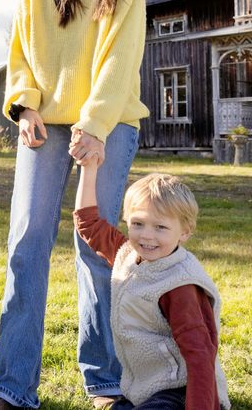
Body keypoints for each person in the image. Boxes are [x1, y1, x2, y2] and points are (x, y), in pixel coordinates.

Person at [0, 0, 150, 410]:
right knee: (27, 242)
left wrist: (95, 126)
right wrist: (25, 104)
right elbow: (21, 48)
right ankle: (11, 389)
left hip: (109, 120)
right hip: (46, 121)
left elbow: (122, 56)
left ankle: (104, 383)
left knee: (94, 244)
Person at [73, 167, 231, 410]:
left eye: (160, 227)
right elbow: (87, 223)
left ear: (185, 232)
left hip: (181, 393)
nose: (147, 236)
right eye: (138, 223)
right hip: (143, 390)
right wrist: (90, 166)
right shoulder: (127, 253)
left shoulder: (180, 285)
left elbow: (200, 355)